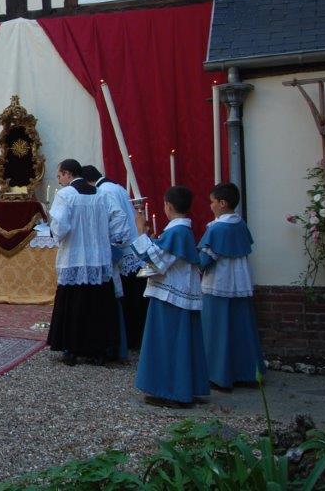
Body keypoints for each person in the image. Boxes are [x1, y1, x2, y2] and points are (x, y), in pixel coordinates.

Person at [131, 185, 209, 408]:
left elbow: (156, 261)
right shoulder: (182, 231)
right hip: (178, 293)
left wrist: (140, 232)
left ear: (168, 206)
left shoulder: (177, 232)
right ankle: (184, 388)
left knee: (169, 343)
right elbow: (165, 254)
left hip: (170, 296)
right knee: (182, 342)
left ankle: (172, 392)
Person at [47, 159, 119, 366]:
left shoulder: (66, 195)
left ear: (68, 174)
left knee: (74, 303)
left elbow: (60, 226)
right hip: (98, 257)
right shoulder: (102, 194)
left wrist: (55, 234)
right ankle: (98, 350)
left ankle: (71, 348)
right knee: (97, 304)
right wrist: (107, 237)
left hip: (75, 256)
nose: (59, 180)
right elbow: (118, 219)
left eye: (60, 175)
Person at [198, 182, 264, 391]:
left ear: (222, 203)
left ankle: (219, 375)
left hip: (219, 283)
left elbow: (204, 259)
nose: (210, 206)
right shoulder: (241, 224)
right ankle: (248, 373)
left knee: (217, 329)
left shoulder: (217, 229)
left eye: (212, 202)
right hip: (240, 283)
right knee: (241, 328)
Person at [82, 165, 143, 357]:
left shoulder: (104, 191)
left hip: (123, 249)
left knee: (127, 298)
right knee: (133, 296)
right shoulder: (117, 187)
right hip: (133, 247)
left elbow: (118, 218)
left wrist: (111, 242)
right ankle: (134, 338)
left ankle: (131, 339)